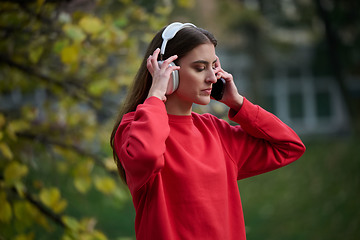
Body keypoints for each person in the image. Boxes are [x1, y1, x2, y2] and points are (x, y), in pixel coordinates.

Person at [110, 22, 305, 240]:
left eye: (214, 66)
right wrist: (155, 95)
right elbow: (148, 156)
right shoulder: (133, 128)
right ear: (168, 71)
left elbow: (289, 146)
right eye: (200, 68)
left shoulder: (217, 133)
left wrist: (239, 104)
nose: (213, 77)